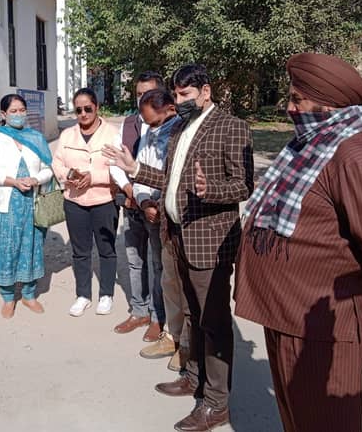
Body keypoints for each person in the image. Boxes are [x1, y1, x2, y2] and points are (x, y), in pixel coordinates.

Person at [235, 53, 362, 432]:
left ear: (328, 103)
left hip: (322, 328)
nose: (289, 108)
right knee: (296, 419)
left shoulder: (356, 156)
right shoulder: (311, 144)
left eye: (297, 99)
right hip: (286, 315)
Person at [104, 63, 253, 432]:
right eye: (177, 94)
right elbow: (169, 179)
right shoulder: (182, 128)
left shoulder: (231, 127)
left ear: (206, 91)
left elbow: (244, 185)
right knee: (190, 314)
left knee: (213, 323)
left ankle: (216, 404)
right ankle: (193, 376)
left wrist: (210, 190)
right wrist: (135, 169)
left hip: (209, 243)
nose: (180, 100)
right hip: (176, 236)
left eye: (186, 94)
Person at [0, 94, 53, 318]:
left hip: (31, 203)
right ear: (4, 114)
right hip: (6, 203)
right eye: (13, 111)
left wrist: (35, 179)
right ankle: (8, 297)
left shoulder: (36, 138)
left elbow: (48, 169)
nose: (19, 114)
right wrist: (13, 181)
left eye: (22, 110)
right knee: (6, 248)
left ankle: (29, 294)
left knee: (31, 247)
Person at [132, 89, 189, 370]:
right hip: (156, 216)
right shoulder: (149, 133)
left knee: (185, 284)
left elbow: (175, 179)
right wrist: (144, 201)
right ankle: (171, 335)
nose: (150, 127)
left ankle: (187, 345)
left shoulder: (183, 133)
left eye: (153, 121)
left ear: (170, 109)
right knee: (168, 279)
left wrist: (160, 202)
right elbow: (140, 171)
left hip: (181, 220)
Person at [111, 71, 168, 343]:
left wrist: (151, 201)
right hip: (132, 202)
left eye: (148, 94)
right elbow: (116, 162)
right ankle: (139, 310)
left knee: (158, 263)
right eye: (138, 94)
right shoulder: (129, 123)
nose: (141, 99)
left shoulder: (171, 127)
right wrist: (129, 190)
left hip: (156, 207)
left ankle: (158, 316)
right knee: (135, 261)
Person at [53, 87, 120, 317]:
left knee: (106, 249)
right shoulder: (67, 135)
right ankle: (83, 295)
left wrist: (95, 177)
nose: (83, 114)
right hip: (75, 202)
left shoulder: (112, 134)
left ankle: (106, 294)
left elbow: (119, 168)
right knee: (80, 251)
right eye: (78, 110)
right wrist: (70, 175)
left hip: (104, 200)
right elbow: (57, 163)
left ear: (97, 107)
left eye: (88, 109)